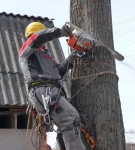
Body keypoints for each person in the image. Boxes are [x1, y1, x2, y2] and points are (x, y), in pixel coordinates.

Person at [18, 22, 86, 150]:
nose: (45, 41)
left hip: (50, 92)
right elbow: (38, 37)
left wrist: (73, 55)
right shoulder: (26, 52)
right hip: (44, 91)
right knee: (71, 119)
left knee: (64, 125)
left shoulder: (46, 56)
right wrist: (62, 31)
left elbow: (59, 72)